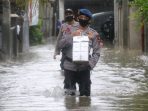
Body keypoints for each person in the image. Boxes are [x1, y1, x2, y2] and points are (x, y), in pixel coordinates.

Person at [58, 8, 101, 96]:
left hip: (84, 68)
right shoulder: (69, 30)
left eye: (86, 18)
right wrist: (71, 36)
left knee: (85, 97)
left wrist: (91, 64)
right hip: (69, 67)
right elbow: (60, 45)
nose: (83, 19)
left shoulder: (94, 34)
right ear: (78, 18)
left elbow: (97, 52)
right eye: (81, 17)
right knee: (69, 98)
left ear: (89, 20)